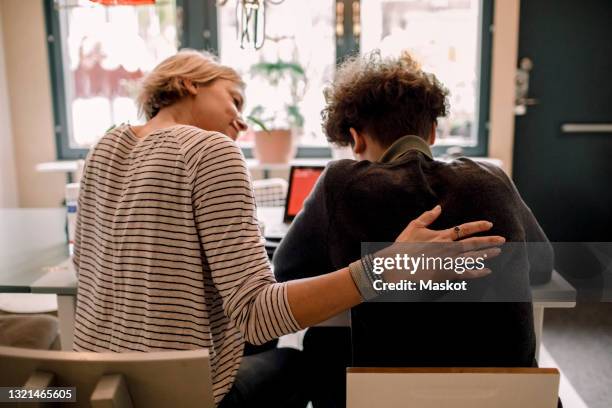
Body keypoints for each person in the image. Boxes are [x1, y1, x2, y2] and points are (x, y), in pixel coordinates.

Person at [71, 49, 502, 407]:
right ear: (188, 82)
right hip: (182, 397)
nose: (241, 121)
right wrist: (388, 268)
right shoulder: (210, 150)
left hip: (96, 389)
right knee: (298, 363)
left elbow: (86, 265)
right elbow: (258, 317)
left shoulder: (103, 146)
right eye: (235, 100)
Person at [273, 51, 554, 407]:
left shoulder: (341, 182)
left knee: (322, 343)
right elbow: (543, 264)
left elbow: (285, 272)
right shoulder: (491, 177)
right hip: (508, 400)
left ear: (356, 139)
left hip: (385, 399)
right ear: (433, 131)